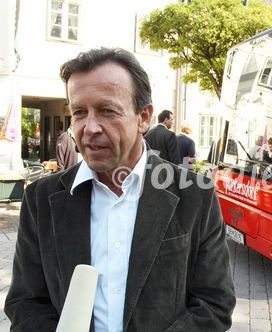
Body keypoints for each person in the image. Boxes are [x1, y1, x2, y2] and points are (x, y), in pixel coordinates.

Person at [4, 47, 235, 331]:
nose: (89, 128)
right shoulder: (41, 199)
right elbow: (26, 303)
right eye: (79, 112)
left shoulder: (194, 195)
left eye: (107, 111)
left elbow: (215, 305)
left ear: (143, 117)